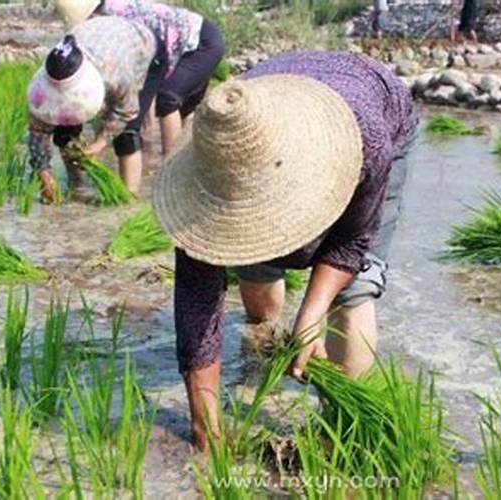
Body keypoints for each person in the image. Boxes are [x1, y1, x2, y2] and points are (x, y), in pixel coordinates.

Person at [152, 51, 420, 450]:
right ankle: (269, 343)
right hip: (270, 109)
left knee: (352, 292)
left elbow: (352, 241)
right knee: (250, 258)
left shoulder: (367, 139)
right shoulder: (211, 156)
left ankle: (343, 430)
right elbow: (196, 305)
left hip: (363, 114)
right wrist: (205, 427)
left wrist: (311, 314)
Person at [55, 0, 225, 156]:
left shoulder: (112, 19)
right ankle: (162, 153)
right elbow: (146, 66)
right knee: (160, 102)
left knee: (167, 101)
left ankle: (170, 167)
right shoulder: (109, 11)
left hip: (200, 42)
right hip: (175, 45)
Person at [27, 16, 159, 202]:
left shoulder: (114, 74)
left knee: (127, 134)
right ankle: (77, 185)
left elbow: (126, 111)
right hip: (96, 38)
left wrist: (100, 143)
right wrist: (44, 174)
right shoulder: (47, 80)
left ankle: (128, 198)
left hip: (142, 47)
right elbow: (37, 132)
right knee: (65, 132)